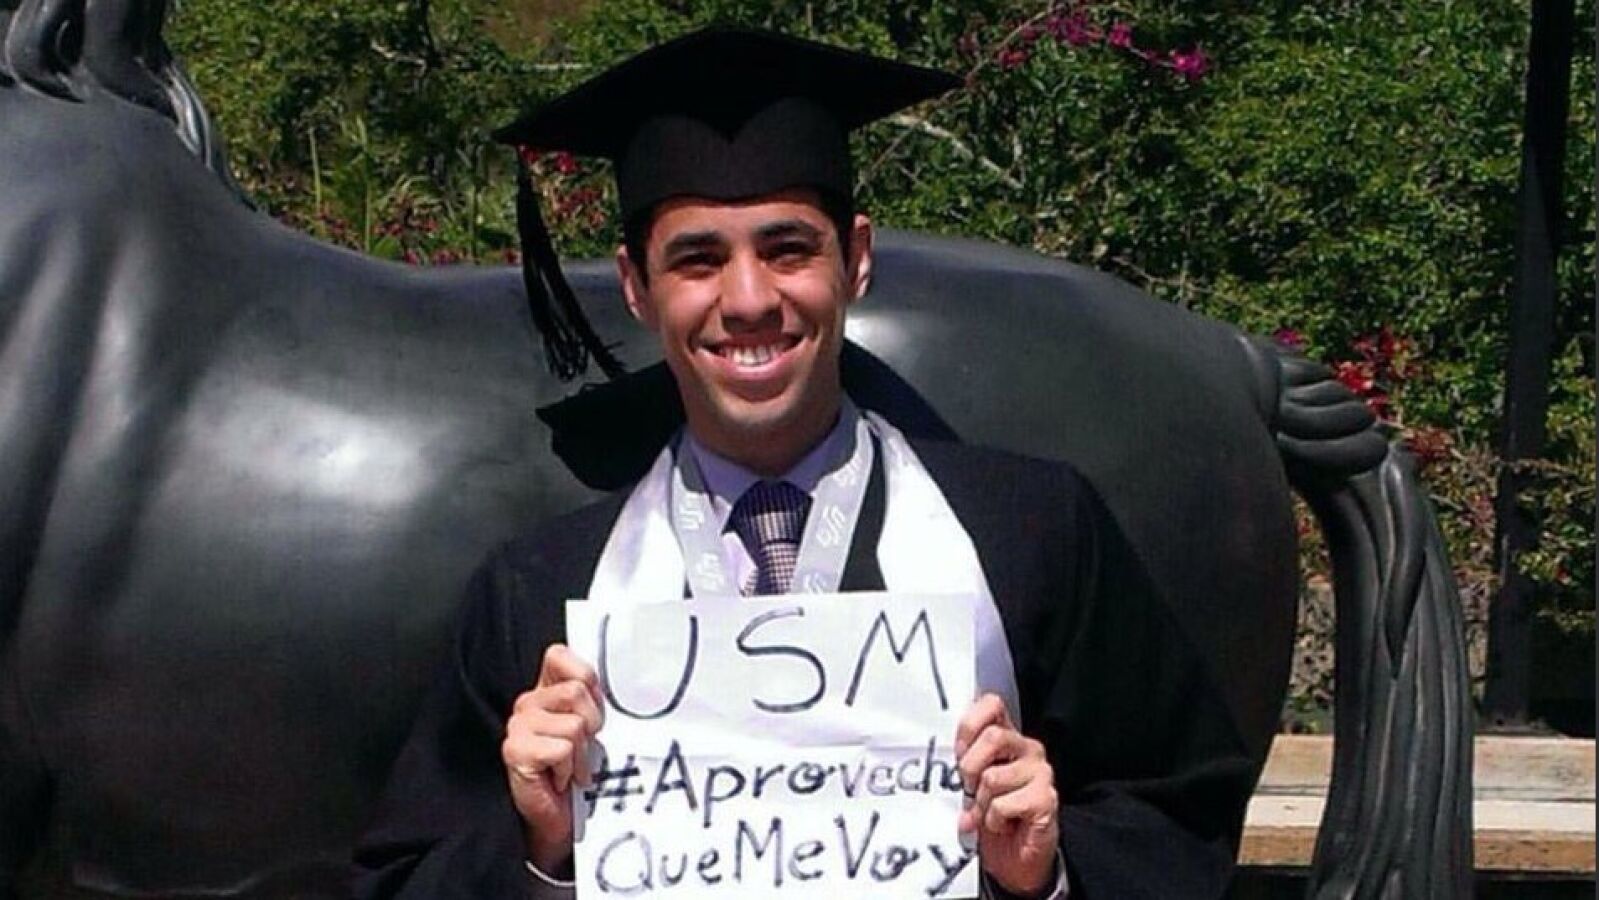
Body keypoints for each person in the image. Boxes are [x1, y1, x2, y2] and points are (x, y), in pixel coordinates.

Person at [351, 27, 1257, 899]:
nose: (748, 298)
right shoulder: (540, 593)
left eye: (787, 249)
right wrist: (541, 848)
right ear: (636, 288)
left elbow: (1178, 811)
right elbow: (401, 878)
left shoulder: (1033, 534)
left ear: (854, 259)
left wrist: (1044, 874)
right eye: (697, 260)